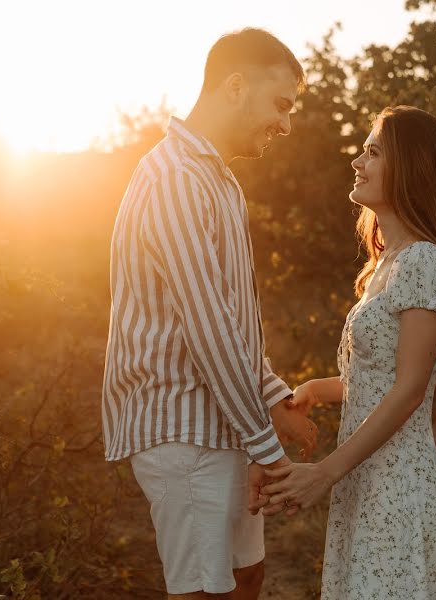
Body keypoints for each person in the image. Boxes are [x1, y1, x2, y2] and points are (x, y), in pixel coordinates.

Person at [101, 28, 317, 600]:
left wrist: (273, 396)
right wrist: (269, 451)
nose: (286, 125)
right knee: (204, 592)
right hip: (184, 427)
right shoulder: (175, 177)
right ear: (236, 85)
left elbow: (230, 317)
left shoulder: (216, 178)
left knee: (248, 578)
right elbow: (207, 328)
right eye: (281, 105)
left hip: (223, 420)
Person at [251, 106, 436, 599]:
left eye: (373, 151)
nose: (357, 161)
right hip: (365, 482)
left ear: (410, 168)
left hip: (399, 488)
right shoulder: (387, 263)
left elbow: (408, 392)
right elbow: (386, 377)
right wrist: (319, 390)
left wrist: (323, 472)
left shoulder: (425, 261)